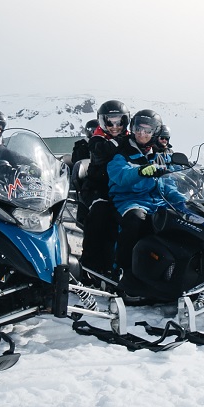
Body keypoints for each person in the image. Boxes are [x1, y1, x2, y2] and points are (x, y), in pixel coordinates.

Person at [106, 109, 171, 297]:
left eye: (147, 130)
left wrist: (183, 201)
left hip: (157, 201)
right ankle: (124, 271)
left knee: (179, 220)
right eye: (138, 129)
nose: (142, 134)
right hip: (127, 201)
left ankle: (170, 271)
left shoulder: (160, 155)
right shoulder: (121, 152)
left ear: (155, 133)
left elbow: (169, 183)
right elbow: (121, 175)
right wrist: (141, 171)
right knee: (136, 220)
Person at [79, 100, 129, 277]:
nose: (114, 126)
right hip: (97, 188)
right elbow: (103, 150)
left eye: (119, 122)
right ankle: (89, 266)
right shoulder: (98, 139)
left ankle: (117, 264)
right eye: (109, 122)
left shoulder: (129, 138)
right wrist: (121, 141)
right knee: (100, 214)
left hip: (121, 188)